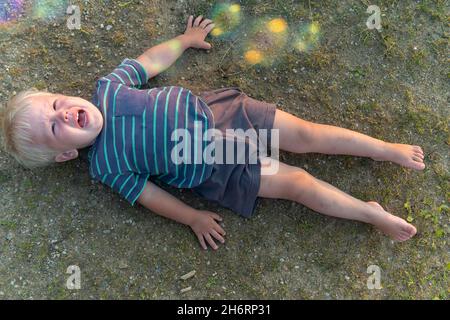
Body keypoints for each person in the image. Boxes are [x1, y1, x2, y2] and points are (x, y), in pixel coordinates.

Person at [0, 15, 425, 250]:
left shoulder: (109, 88)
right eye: (55, 129)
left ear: (62, 94)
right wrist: (191, 217)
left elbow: (149, 61)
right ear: (64, 156)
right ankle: (369, 212)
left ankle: (383, 149)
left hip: (226, 116)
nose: (64, 115)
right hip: (216, 170)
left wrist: (184, 40)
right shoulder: (107, 167)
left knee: (308, 135)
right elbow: (150, 197)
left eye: (56, 105)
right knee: (297, 183)